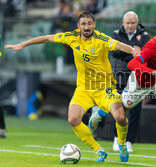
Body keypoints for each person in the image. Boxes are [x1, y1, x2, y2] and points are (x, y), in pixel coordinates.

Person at [4, 11, 139, 162]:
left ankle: (121, 144)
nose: (87, 27)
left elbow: (119, 45)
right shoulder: (71, 37)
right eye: (83, 24)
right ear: (78, 26)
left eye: (89, 23)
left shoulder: (101, 38)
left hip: (104, 88)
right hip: (84, 89)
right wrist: (22, 44)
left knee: (120, 117)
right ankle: (98, 150)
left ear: (94, 25)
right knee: (73, 119)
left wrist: (132, 50)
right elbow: (47, 38)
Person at [88, 11, 150, 152]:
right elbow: (115, 52)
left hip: (137, 78)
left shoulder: (145, 36)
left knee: (135, 111)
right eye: (127, 23)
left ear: (137, 22)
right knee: (118, 108)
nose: (130, 25)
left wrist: (133, 54)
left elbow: (145, 54)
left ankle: (129, 141)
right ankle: (117, 138)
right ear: (123, 23)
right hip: (119, 77)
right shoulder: (116, 34)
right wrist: (133, 53)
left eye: (132, 23)